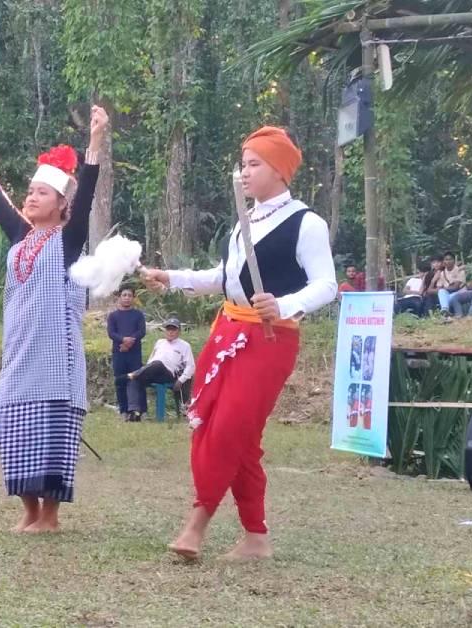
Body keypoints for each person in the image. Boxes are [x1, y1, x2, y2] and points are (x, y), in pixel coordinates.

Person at [141, 126, 336, 561]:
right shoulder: (243, 222)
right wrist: (170, 277)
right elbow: (223, 278)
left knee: (230, 427)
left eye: (254, 164)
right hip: (228, 332)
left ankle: (197, 522)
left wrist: (284, 304)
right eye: (243, 164)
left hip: (270, 339)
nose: (244, 173)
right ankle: (256, 536)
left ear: (280, 171)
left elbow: (327, 285)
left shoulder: (307, 223)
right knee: (228, 432)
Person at [0, 105, 108, 534]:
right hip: (19, 355)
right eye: (30, 191)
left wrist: (94, 143)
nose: (31, 197)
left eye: (43, 193)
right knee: (12, 428)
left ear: (62, 206)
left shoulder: (67, 243)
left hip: (56, 358)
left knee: (52, 434)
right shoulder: (22, 240)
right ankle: (28, 510)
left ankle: (51, 515)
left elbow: (89, 195)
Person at [125, 318, 195, 415]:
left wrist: (181, 380)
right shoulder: (160, 342)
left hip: (168, 374)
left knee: (157, 364)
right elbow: (151, 360)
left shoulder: (184, 345)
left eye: (173, 330)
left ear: (179, 331)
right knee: (134, 380)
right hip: (153, 371)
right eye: (168, 329)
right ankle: (134, 411)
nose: (170, 332)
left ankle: (135, 374)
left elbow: (191, 366)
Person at [107, 287, 147, 421]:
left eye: (130, 295)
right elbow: (111, 333)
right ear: (120, 297)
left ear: (133, 298)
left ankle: (142, 411)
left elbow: (141, 331)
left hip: (134, 353)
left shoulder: (138, 315)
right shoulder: (113, 316)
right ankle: (123, 410)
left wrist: (129, 342)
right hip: (119, 353)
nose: (127, 297)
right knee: (120, 381)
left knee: (137, 379)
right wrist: (123, 340)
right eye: (124, 295)